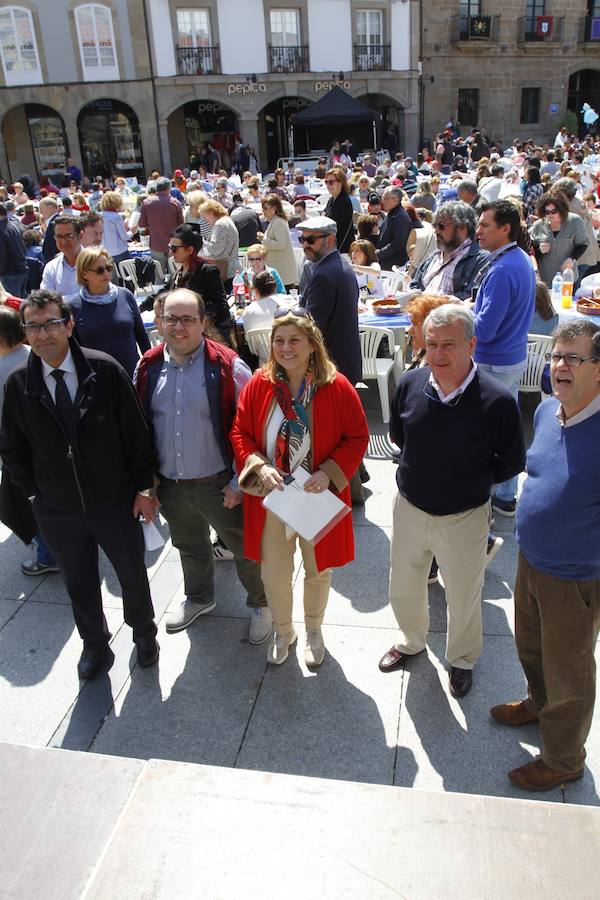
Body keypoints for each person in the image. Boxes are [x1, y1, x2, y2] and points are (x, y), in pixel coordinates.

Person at [0, 290, 159, 680]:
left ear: (69, 325)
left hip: (114, 501)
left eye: (52, 323)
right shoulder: (19, 383)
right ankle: (94, 644)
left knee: (131, 572)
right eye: (33, 327)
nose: (43, 334)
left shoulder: (103, 370)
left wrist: (144, 488)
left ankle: (144, 633)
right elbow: (11, 448)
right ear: (25, 334)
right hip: (57, 507)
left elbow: (136, 435)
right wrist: (35, 493)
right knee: (78, 579)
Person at [378, 305, 525, 698]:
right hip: (410, 508)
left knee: (463, 594)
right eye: (431, 345)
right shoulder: (410, 383)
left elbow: (510, 463)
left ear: (471, 345)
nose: (438, 355)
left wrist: (464, 483)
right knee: (404, 585)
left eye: (449, 345)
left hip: (464, 516)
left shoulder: (497, 402)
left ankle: (461, 660)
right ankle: (411, 642)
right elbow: (401, 437)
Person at [492, 321, 600, 791]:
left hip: (574, 578)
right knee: (531, 648)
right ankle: (538, 703)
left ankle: (562, 758)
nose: (560, 366)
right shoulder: (546, 412)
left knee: (569, 669)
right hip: (529, 562)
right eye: (557, 355)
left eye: (575, 358)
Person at [231, 309, 369, 665]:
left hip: (315, 496)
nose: (286, 348)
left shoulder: (336, 386)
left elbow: (357, 437)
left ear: (311, 344)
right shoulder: (259, 385)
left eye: (294, 340)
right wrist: (258, 466)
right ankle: (283, 630)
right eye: (279, 341)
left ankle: (313, 629)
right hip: (273, 496)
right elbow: (240, 433)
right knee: (273, 572)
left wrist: (329, 472)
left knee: (318, 569)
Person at [134, 288, 271, 644]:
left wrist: (241, 483)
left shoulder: (227, 365)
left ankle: (261, 604)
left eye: (187, 319)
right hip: (172, 485)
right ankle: (199, 597)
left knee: (245, 549)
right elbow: (139, 429)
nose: (178, 327)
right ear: (160, 322)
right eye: (171, 319)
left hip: (220, 483)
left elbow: (254, 427)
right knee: (189, 545)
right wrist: (147, 484)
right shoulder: (147, 366)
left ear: (203, 322)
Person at [474, 200, 536, 517]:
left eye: (485, 225)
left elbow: (484, 329)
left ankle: (489, 497)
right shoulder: (519, 259)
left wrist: (454, 311)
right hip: (509, 359)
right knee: (506, 430)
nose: (478, 230)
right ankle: (506, 496)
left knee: (486, 435)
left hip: (492, 362)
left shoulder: (502, 269)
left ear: (505, 228)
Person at [297, 216, 361, 386]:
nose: (305, 245)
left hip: (329, 369)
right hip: (344, 364)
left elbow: (311, 327)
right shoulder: (342, 266)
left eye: (310, 239)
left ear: (330, 240)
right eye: (302, 239)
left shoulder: (324, 275)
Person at [69, 246, 150, 378]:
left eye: (108, 268)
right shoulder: (74, 306)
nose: (106, 274)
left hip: (132, 375)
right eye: (100, 270)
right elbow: (74, 350)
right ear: (84, 274)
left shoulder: (126, 295)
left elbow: (142, 336)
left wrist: (150, 367)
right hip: (98, 381)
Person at [167, 223, 233, 343]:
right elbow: (164, 294)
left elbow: (221, 306)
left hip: (208, 339)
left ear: (190, 250)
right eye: (170, 247)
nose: (171, 252)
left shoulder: (207, 271)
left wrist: (197, 321)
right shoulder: (178, 274)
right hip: (185, 338)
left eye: (174, 248)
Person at [411, 201, 488, 299]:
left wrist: (432, 303)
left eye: (441, 226)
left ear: (462, 227)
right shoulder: (435, 255)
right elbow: (415, 284)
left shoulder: (479, 260)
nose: (436, 231)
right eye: (435, 225)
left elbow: (470, 298)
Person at [529, 193, 589, 288]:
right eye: (547, 212)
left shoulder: (575, 221)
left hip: (568, 279)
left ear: (561, 210)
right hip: (545, 280)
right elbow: (529, 251)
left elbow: (583, 244)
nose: (550, 215)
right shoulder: (538, 225)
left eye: (554, 211)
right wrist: (539, 250)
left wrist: (572, 258)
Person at [138, 176, 184, 272]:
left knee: (159, 276)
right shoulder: (175, 203)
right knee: (175, 275)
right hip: (173, 245)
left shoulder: (147, 203)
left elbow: (141, 224)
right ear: (168, 188)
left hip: (156, 244)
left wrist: (153, 225)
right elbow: (181, 225)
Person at [196, 198, 239, 291]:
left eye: (204, 216)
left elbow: (215, 249)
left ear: (211, 213)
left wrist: (201, 244)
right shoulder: (227, 220)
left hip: (225, 270)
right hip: (231, 267)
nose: (205, 220)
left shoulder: (220, 224)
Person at [258, 194, 298, 289]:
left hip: (282, 271)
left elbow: (281, 244)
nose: (263, 211)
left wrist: (264, 239)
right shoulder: (275, 221)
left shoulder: (278, 222)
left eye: (265, 208)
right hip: (279, 270)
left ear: (274, 208)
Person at [240, 271, 293, 342]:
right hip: (289, 349)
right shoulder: (289, 301)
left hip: (261, 352)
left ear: (256, 290)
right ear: (275, 287)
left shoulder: (248, 311)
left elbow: (248, 339)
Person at [40, 215, 82, 300]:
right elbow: (47, 299)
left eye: (68, 236)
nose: (63, 241)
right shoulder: (51, 267)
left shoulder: (95, 263)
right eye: (59, 237)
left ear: (80, 236)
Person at [376, 186, 413, 269]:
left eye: (385, 198)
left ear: (395, 199)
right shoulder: (391, 213)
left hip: (393, 263)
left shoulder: (400, 216)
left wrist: (378, 254)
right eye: (382, 198)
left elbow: (397, 244)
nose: (382, 201)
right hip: (385, 259)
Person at [323, 167, 355, 254]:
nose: (328, 185)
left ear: (341, 183)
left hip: (342, 249)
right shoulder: (332, 199)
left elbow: (334, 226)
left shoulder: (343, 201)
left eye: (331, 182)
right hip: (333, 246)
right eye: (326, 182)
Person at [0, 203, 27, 298]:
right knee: (20, 304)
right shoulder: (12, 225)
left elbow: (1, 255)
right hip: (21, 269)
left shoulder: (1, 229)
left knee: (11, 305)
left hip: (9, 273)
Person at [99, 191, 132, 265]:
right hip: (119, 251)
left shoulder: (99, 216)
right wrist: (132, 232)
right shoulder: (116, 217)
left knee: (111, 275)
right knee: (128, 274)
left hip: (105, 251)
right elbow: (124, 236)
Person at [39, 197, 59, 262]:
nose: (40, 212)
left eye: (41, 208)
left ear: (50, 208)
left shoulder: (55, 223)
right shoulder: (53, 222)